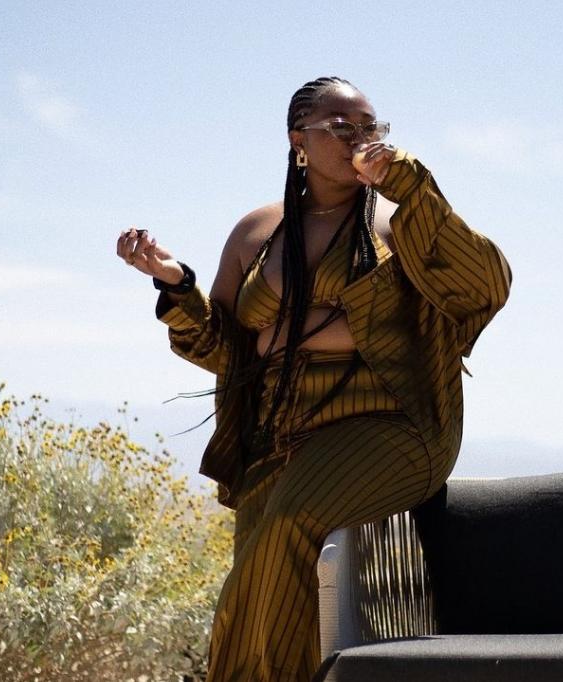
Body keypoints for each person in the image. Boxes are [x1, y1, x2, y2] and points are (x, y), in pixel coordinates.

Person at [115, 76, 511, 682]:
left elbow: (486, 284)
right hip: (278, 435)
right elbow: (224, 349)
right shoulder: (256, 231)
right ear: (298, 140)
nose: (361, 138)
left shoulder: (400, 222)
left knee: (288, 524)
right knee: (256, 584)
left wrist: (409, 182)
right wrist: (174, 282)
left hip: (390, 425)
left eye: (371, 127)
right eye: (342, 127)